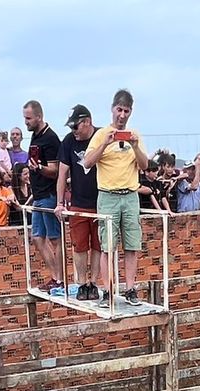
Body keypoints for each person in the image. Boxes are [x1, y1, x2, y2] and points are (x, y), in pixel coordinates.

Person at [84, 89, 150, 306]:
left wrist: (134, 145)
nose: (122, 115)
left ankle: (130, 289)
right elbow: (87, 162)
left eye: (126, 111)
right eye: (119, 110)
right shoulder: (101, 134)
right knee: (107, 247)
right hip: (108, 196)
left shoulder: (135, 135)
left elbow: (144, 165)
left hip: (130, 195)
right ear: (112, 109)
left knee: (132, 245)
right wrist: (106, 143)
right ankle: (108, 290)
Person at [58, 104, 101, 300]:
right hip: (78, 201)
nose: (73, 131)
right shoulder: (68, 141)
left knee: (99, 246)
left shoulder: (101, 137)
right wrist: (60, 203)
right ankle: (82, 283)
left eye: (75, 127)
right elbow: (62, 174)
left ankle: (93, 282)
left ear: (87, 122)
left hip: (101, 200)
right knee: (79, 246)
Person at [23, 99, 65, 294]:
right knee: (37, 238)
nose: (26, 122)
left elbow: (56, 170)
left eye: (28, 118)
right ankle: (55, 277)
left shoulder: (50, 138)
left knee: (55, 238)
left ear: (39, 117)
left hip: (49, 194)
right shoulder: (36, 136)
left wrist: (38, 168)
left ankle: (61, 279)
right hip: (38, 195)